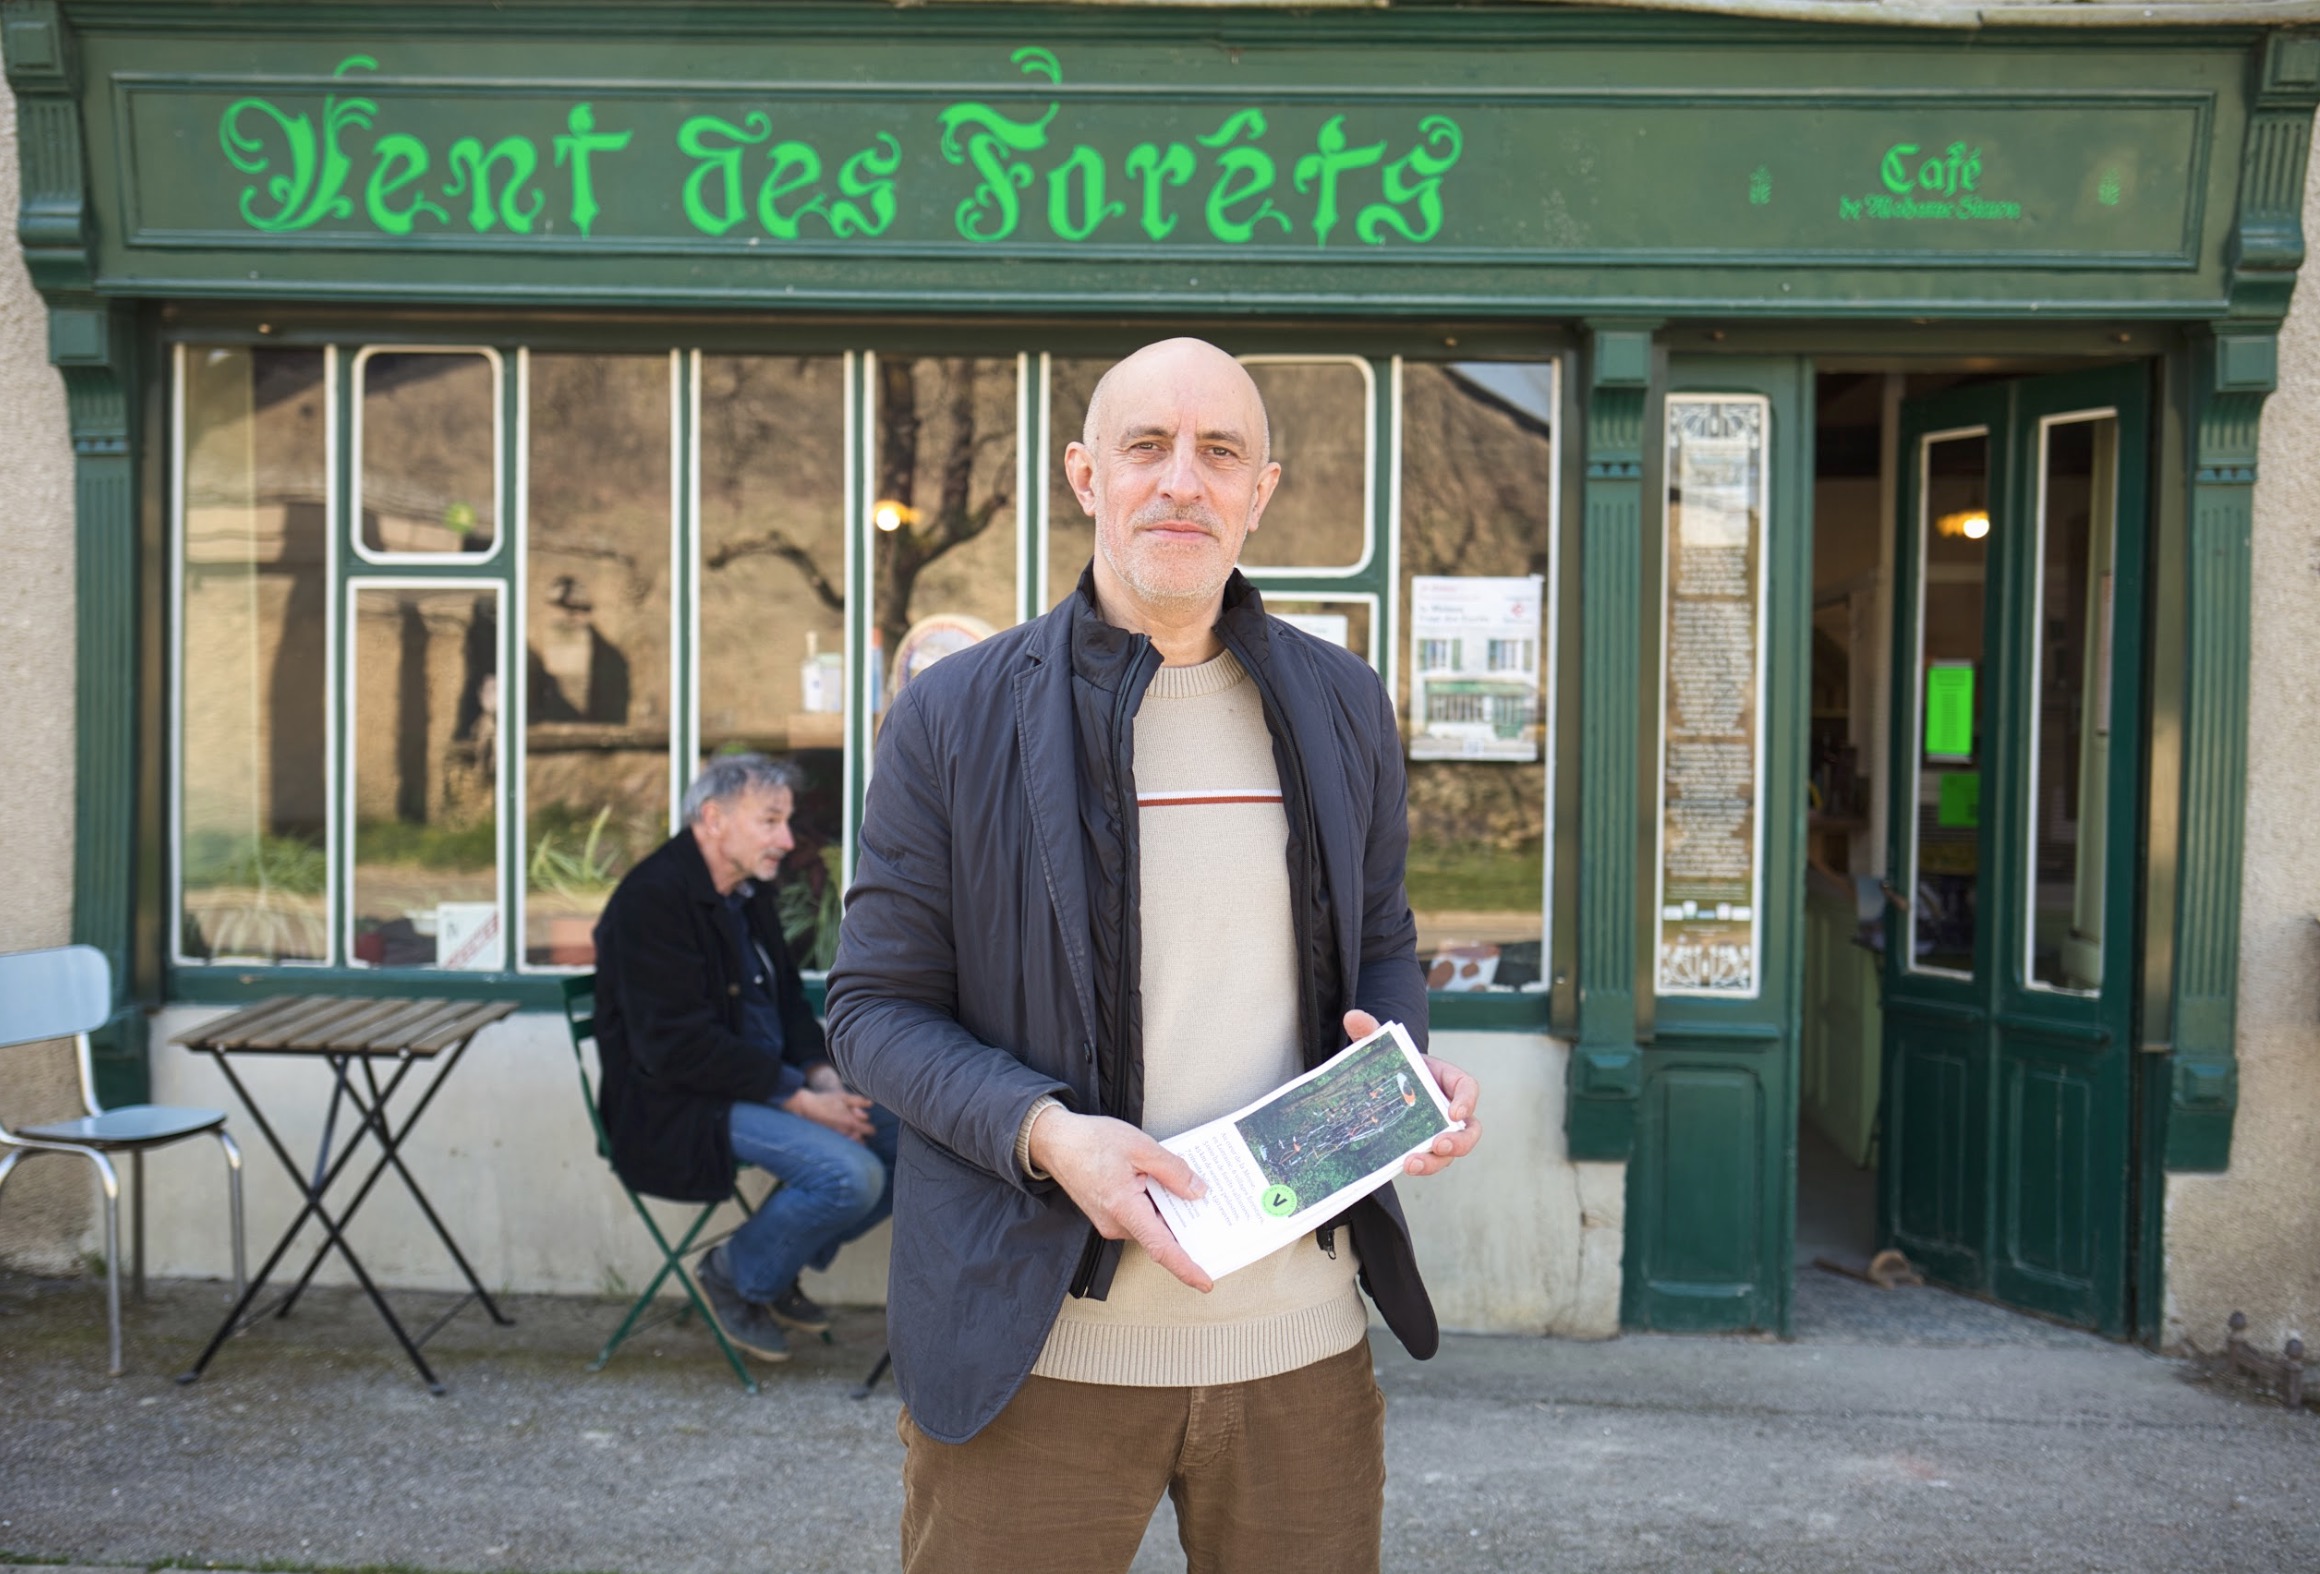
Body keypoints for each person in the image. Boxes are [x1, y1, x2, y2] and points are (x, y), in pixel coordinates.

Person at [826, 338, 1482, 1573]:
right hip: (1038, 1355)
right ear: (1086, 475)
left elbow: (1384, 945)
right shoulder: (956, 713)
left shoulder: (1343, 702)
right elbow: (870, 1008)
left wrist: (1403, 1074)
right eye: (1146, 447)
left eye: (1218, 451)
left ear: (1261, 490)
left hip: (1299, 1353)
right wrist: (1046, 1130)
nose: (1182, 480)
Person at [592, 753, 898, 1365]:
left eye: (786, 822)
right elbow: (675, 1048)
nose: (787, 840)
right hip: (679, 1103)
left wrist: (821, 1074)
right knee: (851, 1174)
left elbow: (785, 1002)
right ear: (712, 818)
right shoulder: (651, 902)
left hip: (761, 1085)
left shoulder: (744, 892)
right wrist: (801, 1101)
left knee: (910, 1144)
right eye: (770, 821)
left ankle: (772, 1267)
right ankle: (735, 1275)